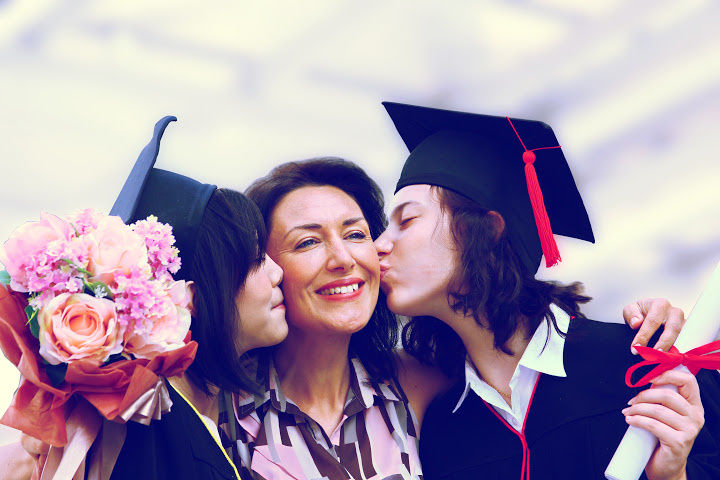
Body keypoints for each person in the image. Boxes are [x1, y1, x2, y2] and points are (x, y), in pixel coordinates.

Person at [222, 156, 690, 480]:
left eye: (360, 232)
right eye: (308, 242)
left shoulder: (419, 390)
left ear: (483, 230)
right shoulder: (222, 408)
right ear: (265, 267)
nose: (365, 252)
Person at [374, 101, 720, 479]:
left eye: (405, 220)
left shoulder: (645, 367)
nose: (378, 245)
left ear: (487, 229)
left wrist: (673, 475)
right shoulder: (442, 433)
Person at [3, 116, 288, 480]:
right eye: (255, 259)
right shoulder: (158, 441)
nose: (277, 272)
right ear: (191, 299)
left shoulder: (158, 425)